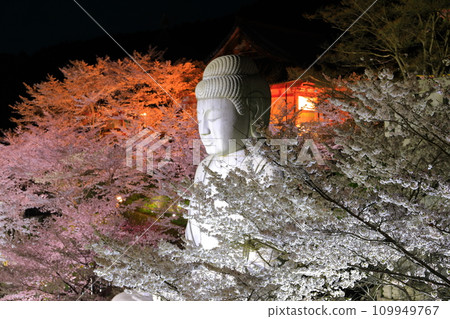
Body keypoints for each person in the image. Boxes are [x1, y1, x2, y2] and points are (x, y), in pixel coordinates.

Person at [185, 55, 277, 253]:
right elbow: (193, 228)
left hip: (246, 277)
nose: (205, 130)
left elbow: (269, 243)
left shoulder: (265, 166)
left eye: (215, 118)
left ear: (253, 110)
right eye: (200, 120)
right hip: (203, 273)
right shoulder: (205, 167)